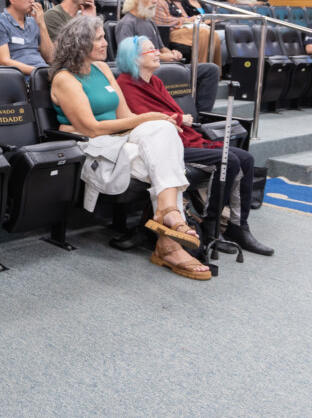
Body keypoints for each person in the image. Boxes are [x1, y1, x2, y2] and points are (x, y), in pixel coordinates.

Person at [49, 16, 210, 281]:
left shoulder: (102, 67)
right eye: (99, 38)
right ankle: (169, 239)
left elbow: (125, 116)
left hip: (121, 137)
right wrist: (150, 117)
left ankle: (167, 217)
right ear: (80, 44)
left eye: (103, 36)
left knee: (164, 131)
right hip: (94, 144)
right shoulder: (64, 79)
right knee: (160, 159)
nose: (106, 43)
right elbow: (92, 128)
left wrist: (157, 121)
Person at [115, 36, 274, 256]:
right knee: (227, 160)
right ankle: (211, 228)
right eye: (150, 50)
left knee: (246, 159)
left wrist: (179, 119)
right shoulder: (126, 84)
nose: (158, 53)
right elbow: (145, 118)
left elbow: (171, 113)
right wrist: (180, 119)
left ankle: (238, 227)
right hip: (165, 146)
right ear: (134, 58)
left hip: (183, 137)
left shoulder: (156, 81)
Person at [116, 0, 220, 115]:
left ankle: (202, 115)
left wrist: (173, 54)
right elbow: (128, 56)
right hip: (147, 71)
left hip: (163, 65)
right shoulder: (127, 23)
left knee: (211, 69)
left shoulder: (149, 22)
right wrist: (162, 57)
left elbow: (162, 48)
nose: (155, 1)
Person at [154, 0, 221, 66]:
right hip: (172, 31)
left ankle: (214, 67)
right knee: (203, 32)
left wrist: (189, 19)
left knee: (214, 33)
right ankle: (199, 67)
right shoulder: (158, 1)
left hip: (184, 29)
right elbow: (163, 20)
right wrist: (184, 20)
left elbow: (187, 18)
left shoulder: (176, 2)